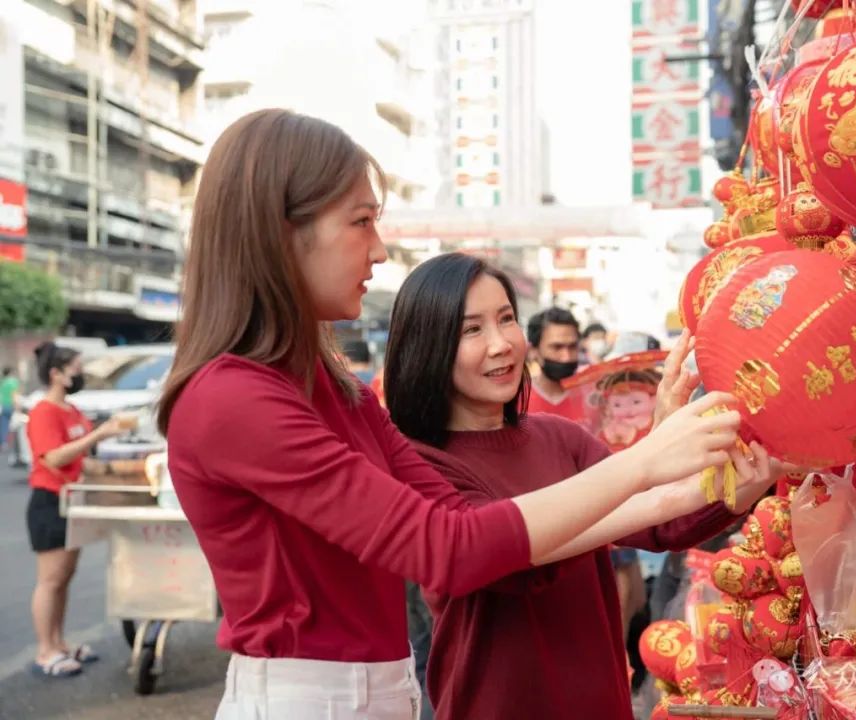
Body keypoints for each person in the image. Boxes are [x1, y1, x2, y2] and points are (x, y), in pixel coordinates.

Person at [156, 109, 736, 720]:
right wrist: (646, 463)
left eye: (506, 319)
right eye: (360, 222)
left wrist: (694, 478)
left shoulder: (339, 391)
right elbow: (450, 547)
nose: (379, 250)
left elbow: (477, 527)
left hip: (383, 691)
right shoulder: (232, 398)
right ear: (280, 232)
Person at [384, 253, 780, 719]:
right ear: (428, 345)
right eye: (471, 330)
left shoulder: (560, 438)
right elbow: (509, 558)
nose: (500, 344)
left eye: (506, 319)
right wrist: (646, 462)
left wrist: (752, 474)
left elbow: (661, 525)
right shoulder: (421, 461)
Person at [26, 342, 127, 677]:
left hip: (73, 501)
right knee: (50, 580)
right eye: (77, 368)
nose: (81, 373)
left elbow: (85, 455)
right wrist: (97, 434)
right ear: (57, 374)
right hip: (50, 501)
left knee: (64, 578)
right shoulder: (44, 412)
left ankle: (60, 644)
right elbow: (53, 457)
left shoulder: (71, 410)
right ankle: (45, 650)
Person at [526, 307, 587, 422]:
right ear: (534, 351)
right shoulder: (515, 399)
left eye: (572, 346)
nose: (566, 357)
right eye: (556, 347)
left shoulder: (592, 396)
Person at [1, 366, 19, 452]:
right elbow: (14, 394)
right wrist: (17, 406)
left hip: (2, 406)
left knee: (3, 425)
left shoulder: (2, 382)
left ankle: (3, 442)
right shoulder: (13, 382)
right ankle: (14, 444)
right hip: (10, 405)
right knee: (14, 425)